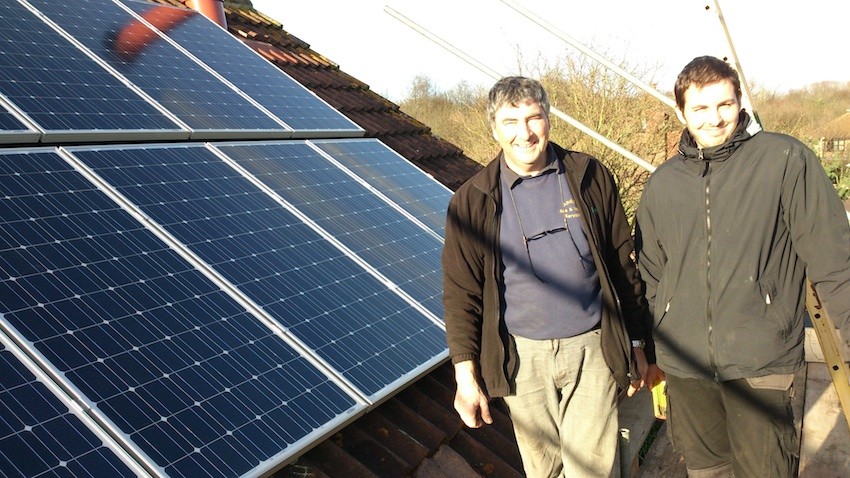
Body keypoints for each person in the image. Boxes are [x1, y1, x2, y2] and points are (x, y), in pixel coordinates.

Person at [635, 55, 850, 477]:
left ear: (739, 102)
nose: (715, 119)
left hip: (760, 359)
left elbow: (834, 258)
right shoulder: (663, 183)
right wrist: (652, 352)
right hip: (686, 366)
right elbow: (650, 275)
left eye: (725, 104)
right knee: (707, 471)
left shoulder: (784, 160)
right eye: (700, 107)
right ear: (681, 112)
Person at [442, 76, 654, 478]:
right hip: (521, 359)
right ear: (494, 130)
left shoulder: (589, 176)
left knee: (592, 471)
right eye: (510, 122)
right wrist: (465, 374)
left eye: (533, 118)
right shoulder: (472, 202)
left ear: (548, 120)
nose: (524, 133)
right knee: (543, 471)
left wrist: (637, 342)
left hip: (593, 347)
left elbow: (623, 267)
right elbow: (461, 294)